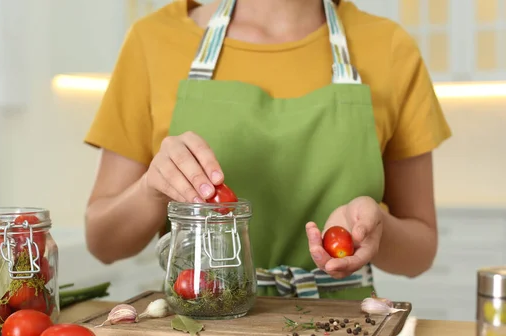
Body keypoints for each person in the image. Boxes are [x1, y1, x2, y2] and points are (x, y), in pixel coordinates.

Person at [83, 0, 452, 300]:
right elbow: (102, 242)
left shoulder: (389, 47)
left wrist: (376, 228)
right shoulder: (153, 42)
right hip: (202, 330)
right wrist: (152, 189)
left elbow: (421, 251)